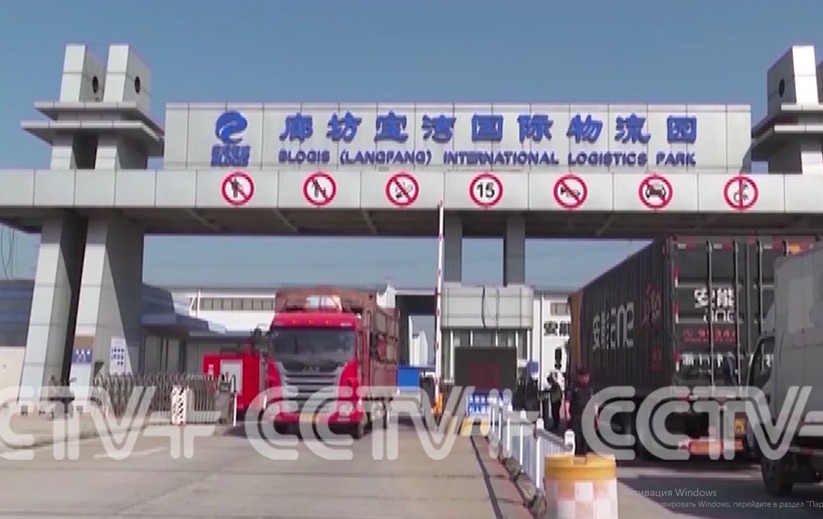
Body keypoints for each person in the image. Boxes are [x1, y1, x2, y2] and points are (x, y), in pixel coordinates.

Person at [565, 368, 596, 456]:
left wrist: (596, 416)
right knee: (577, 439)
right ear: (580, 377)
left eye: (587, 376)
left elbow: (594, 402)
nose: (586, 378)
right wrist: (567, 413)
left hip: (588, 417)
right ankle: (578, 456)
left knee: (587, 439)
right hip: (577, 417)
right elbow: (567, 401)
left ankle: (586, 456)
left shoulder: (591, 388)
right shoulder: (574, 388)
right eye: (584, 376)